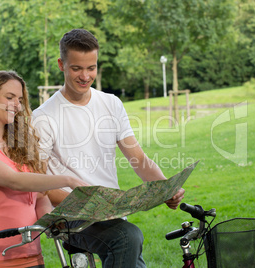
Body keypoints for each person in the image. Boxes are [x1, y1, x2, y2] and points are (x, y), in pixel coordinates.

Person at [32, 29, 185, 268]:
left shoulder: (111, 104)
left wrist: (165, 188)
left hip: (111, 213)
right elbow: (39, 185)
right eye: (76, 68)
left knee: (128, 242)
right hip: (71, 217)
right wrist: (93, 205)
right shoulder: (43, 117)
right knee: (128, 237)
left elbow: (138, 159)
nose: (85, 76)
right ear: (62, 64)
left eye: (91, 67)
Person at [0, 70, 89, 268]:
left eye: (19, 99)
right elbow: (14, 181)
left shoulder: (20, 147)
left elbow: (40, 196)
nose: (17, 105)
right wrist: (68, 180)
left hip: (31, 257)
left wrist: (48, 219)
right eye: (9, 97)